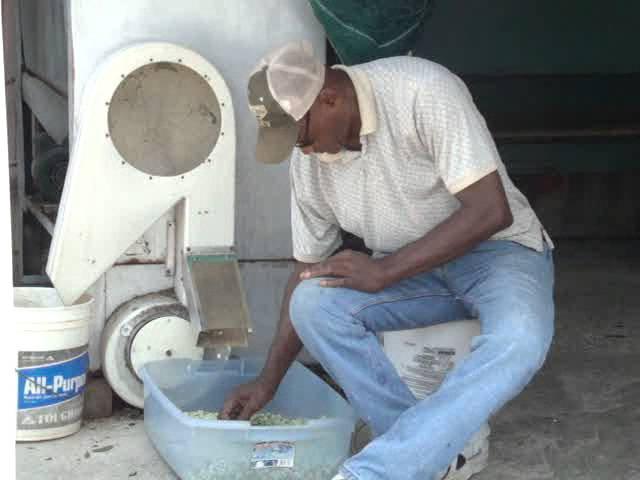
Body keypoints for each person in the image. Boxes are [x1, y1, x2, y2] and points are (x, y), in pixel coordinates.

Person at [221, 41, 555, 480]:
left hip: (497, 253)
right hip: (410, 270)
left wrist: (384, 271)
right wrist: (268, 381)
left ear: (329, 98)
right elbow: (302, 269)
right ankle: (438, 453)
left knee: (522, 338)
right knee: (311, 303)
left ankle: (376, 473)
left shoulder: (422, 90)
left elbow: (491, 211)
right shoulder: (310, 164)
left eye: (301, 136)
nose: (301, 150)